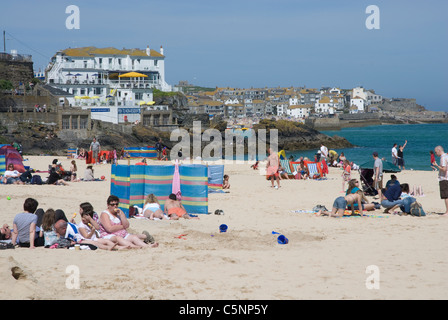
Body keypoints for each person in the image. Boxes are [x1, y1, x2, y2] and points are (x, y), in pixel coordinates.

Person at [433, 146, 448, 216]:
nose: (436, 154)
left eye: (436, 152)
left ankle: (447, 212)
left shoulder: (443, 158)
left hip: (444, 178)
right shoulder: (446, 156)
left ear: (439, 150)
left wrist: (436, 165)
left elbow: (444, 169)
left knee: (445, 196)